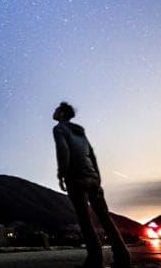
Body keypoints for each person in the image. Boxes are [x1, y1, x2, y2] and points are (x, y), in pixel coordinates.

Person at [53, 101, 130, 268]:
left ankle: (95, 259)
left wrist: (62, 174)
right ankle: (123, 257)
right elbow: (92, 155)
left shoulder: (59, 128)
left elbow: (63, 151)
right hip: (93, 178)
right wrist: (97, 178)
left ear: (62, 114)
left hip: (76, 178)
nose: (54, 111)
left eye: (57, 109)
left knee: (85, 219)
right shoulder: (81, 133)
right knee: (105, 218)